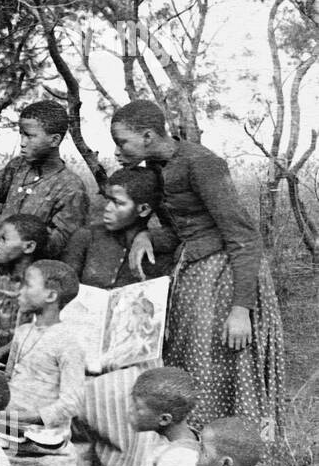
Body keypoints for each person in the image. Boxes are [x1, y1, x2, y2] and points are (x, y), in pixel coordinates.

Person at [112, 100, 284, 445]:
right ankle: (194, 455)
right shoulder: (156, 168)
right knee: (196, 365)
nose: (117, 151)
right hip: (194, 275)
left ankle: (243, 460)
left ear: (147, 136)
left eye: (122, 143)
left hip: (226, 278)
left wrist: (241, 309)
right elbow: (185, 228)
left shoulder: (202, 163)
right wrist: (146, 233)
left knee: (232, 367)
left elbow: (243, 236)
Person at [63, 168, 173, 466]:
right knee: (83, 393)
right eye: (106, 200)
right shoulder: (87, 237)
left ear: (142, 210)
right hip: (82, 344)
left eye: (117, 202)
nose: (107, 209)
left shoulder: (159, 247)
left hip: (131, 354)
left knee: (133, 393)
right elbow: (65, 287)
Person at [0, 100, 90, 259]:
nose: (22, 143)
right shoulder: (17, 166)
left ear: (54, 140)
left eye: (30, 136)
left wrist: (13, 243)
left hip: (28, 270)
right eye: (21, 134)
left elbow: (59, 243)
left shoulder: (71, 188)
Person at [4, 260, 86, 455]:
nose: (19, 291)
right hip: (10, 427)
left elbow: (71, 403)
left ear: (51, 295)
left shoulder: (68, 341)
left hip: (44, 436)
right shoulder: (22, 332)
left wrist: (26, 418)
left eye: (28, 285)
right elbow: (8, 378)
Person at [0, 214, 48, 361]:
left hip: (18, 361)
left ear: (29, 246)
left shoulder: (39, 287)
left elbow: (32, 333)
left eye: (4, 240)